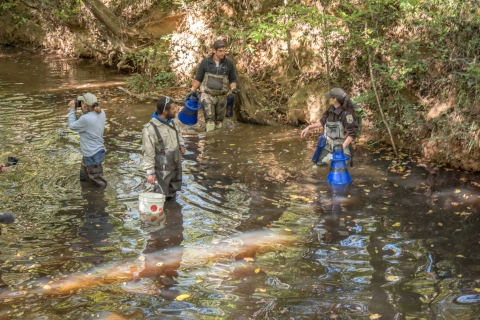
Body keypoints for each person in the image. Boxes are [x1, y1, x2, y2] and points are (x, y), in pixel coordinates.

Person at [187, 39, 239, 132]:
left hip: (222, 97)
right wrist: (192, 90)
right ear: (214, 51)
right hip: (207, 96)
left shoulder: (229, 64)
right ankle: (210, 142)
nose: (223, 53)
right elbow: (198, 78)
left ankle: (218, 143)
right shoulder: (205, 62)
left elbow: (232, 79)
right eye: (220, 51)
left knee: (218, 122)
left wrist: (233, 88)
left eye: (224, 51)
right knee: (210, 121)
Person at [142, 96, 186, 201]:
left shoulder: (173, 121)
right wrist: (150, 172)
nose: (176, 110)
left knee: (173, 192)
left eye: (175, 107)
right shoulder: (150, 129)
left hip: (176, 165)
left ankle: (172, 211)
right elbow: (148, 152)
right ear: (165, 111)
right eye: (173, 108)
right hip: (162, 170)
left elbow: (178, 133)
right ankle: (160, 215)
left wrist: (182, 144)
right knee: (159, 197)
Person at [301, 88, 359, 166]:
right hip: (328, 145)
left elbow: (352, 134)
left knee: (338, 169)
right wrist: (308, 127)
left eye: (330, 97)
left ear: (334, 99)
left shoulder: (347, 114)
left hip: (342, 146)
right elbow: (322, 122)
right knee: (317, 166)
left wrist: (341, 148)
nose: (328, 98)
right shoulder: (330, 110)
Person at [68, 93, 107, 188]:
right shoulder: (101, 113)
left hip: (92, 154)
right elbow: (87, 117)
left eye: (81, 103)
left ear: (84, 105)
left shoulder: (85, 119)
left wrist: (72, 110)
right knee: (85, 179)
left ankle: (99, 200)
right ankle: (88, 196)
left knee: (99, 183)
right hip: (93, 153)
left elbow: (72, 126)